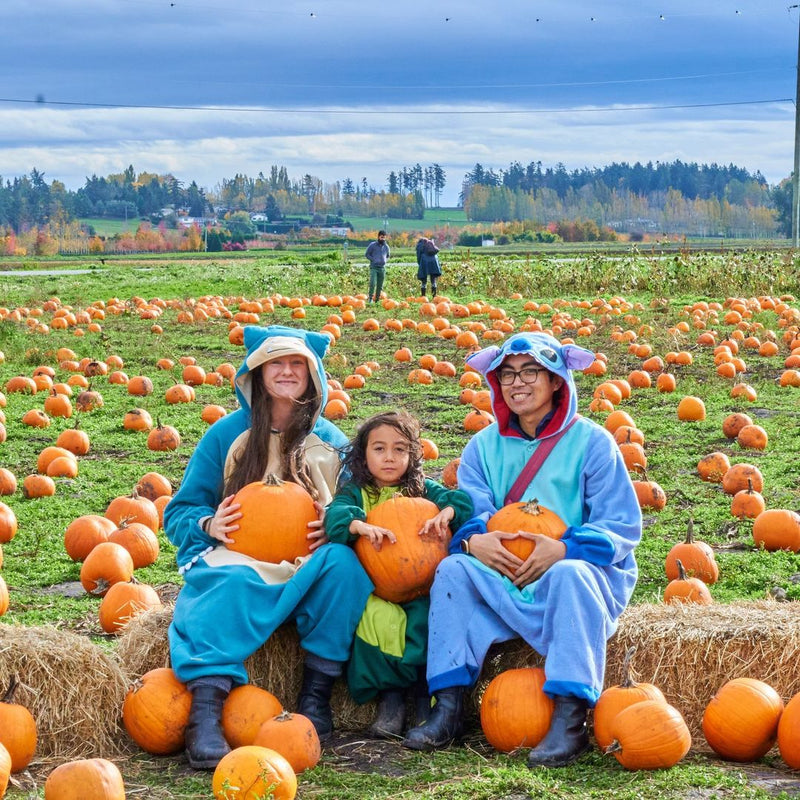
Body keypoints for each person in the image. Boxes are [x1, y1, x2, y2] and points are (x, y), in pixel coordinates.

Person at [402, 332, 642, 767]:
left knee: (572, 575)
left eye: (531, 371)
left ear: (556, 381)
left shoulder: (593, 443)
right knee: (454, 571)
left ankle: (570, 719)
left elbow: (621, 523)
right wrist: (475, 540)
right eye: (507, 374)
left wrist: (564, 549)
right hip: (503, 571)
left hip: (572, 575)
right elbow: (472, 508)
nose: (517, 383)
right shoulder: (483, 446)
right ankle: (450, 706)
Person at [164, 324, 373, 770]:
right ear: (256, 372)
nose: (287, 371)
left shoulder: (332, 441)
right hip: (240, 554)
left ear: (313, 374)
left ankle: (315, 697)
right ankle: (205, 712)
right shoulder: (225, 435)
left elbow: (356, 507)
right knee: (227, 580)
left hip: (306, 561)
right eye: (276, 362)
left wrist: (335, 526)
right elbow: (179, 510)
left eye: (298, 363)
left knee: (346, 568)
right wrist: (208, 522)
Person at [325, 411, 473, 738]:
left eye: (400, 449)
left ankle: (422, 696)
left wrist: (446, 514)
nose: (389, 458)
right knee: (371, 622)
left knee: (425, 623)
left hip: (423, 587)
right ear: (364, 454)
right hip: (378, 589)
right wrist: (358, 525)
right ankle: (390, 700)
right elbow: (335, 518)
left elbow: (459, 501)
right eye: (379, 449)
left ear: (412, 454)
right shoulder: (356, 494)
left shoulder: (423, 490)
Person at [364, 230, 390, 303]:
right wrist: (373, 260)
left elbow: (388, 256)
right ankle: (370, 298)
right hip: (374, 267)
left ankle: (377, 299)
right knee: (372, 283)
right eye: (382, 237)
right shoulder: (372, 245)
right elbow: (367, 254)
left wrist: (385, 260)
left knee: (380, 285)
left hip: (382, 268)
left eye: (384, 237)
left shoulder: (386, 247)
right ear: (378, 237)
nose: (383, 239)